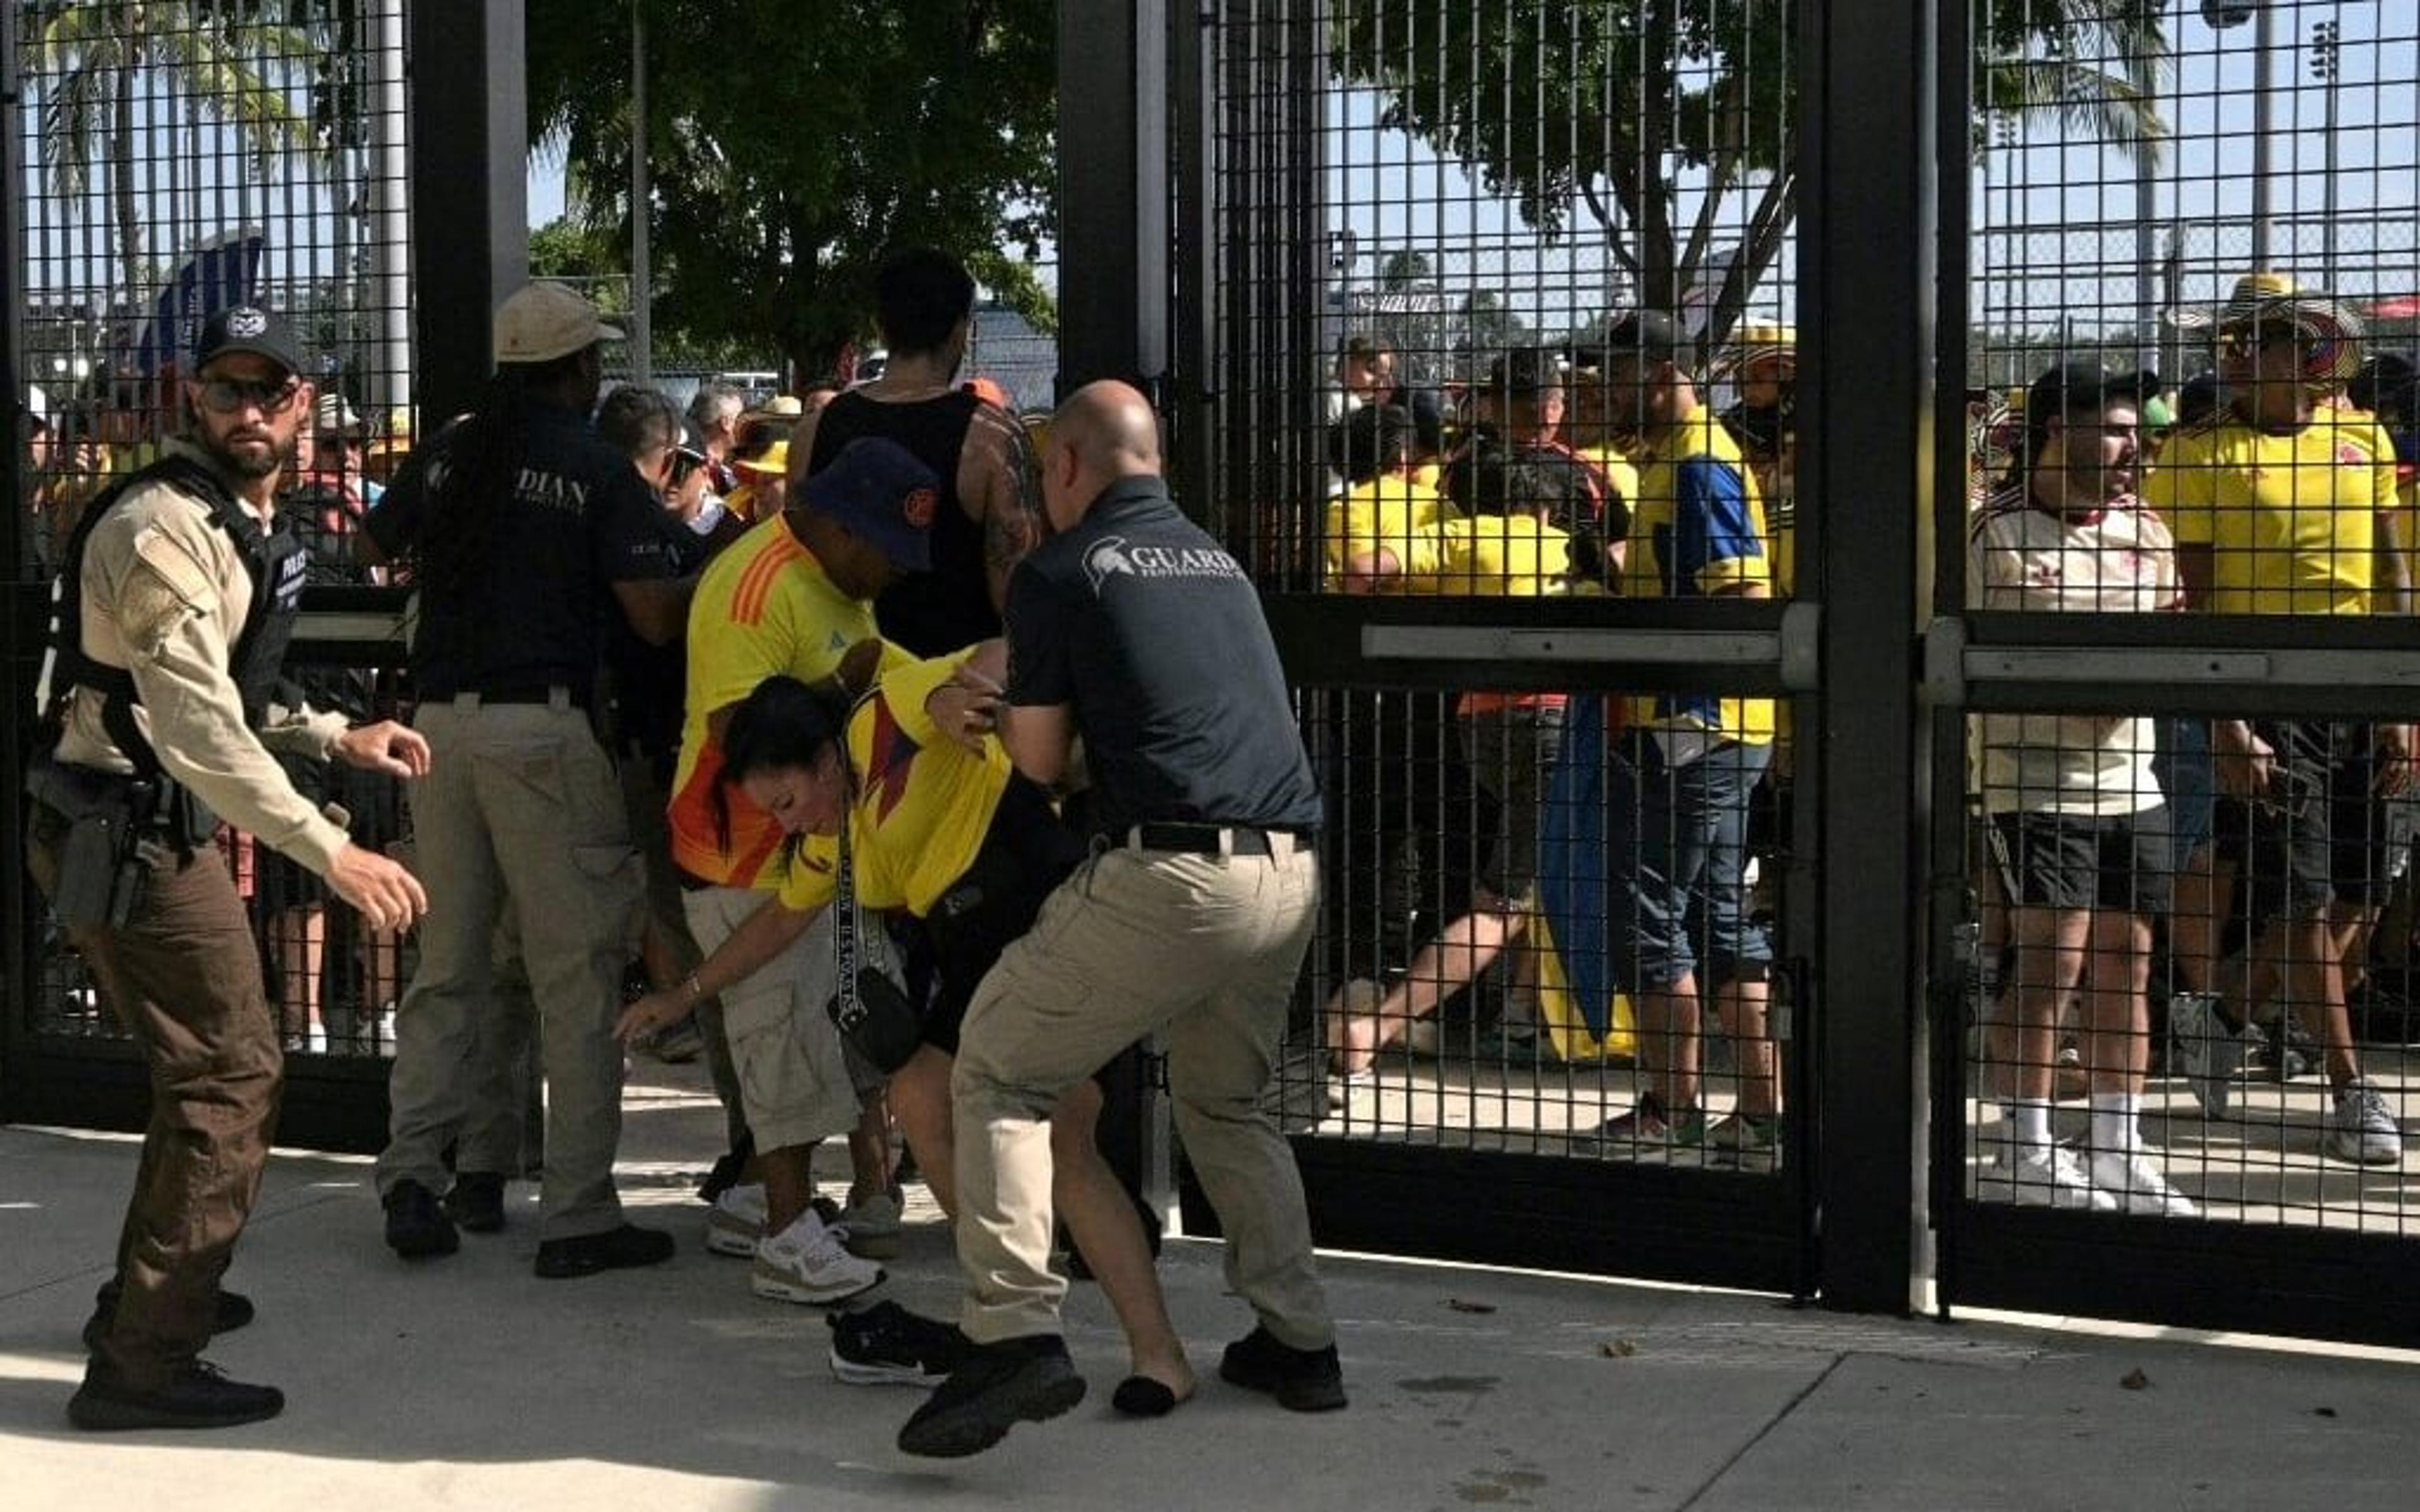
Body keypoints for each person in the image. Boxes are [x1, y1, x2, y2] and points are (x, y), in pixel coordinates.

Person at [895, 381, 1340, 1460]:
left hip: (1172, 878)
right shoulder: (1219, 564)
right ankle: (1302, 1344)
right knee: (1227, 1107)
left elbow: (1043, 764)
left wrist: (981, 716)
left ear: (1065, 468)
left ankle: (1012, 1333)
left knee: (998, 1067)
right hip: (1290, 872)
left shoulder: (1060, 571)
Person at [27, 303, 428, 1429]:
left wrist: (332, 736)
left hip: (146, 820)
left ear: (308, 405)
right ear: (191, 402)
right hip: (130, 830)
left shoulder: (236, 518)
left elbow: (232, 697)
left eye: (272, 390)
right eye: (227, 390)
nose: (249, 410)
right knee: (231, 1076)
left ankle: (147, 1302)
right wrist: (332, 846)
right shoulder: (160, 527)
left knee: (199, 1075)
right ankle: (145, 1362)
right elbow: (197, 730)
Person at [616, 658, 1191, 1409]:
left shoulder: (877, 719)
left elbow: (980, 661)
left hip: (1040, 921)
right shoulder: (830, 837)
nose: (787, 825)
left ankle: (1153, 1356)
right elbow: (782, 919)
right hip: (974, 959)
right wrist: (683, 995)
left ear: (826, 760)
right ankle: (1012, 1317)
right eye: (773, 814)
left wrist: (961, 699)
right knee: (922, 1096)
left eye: (789, 801)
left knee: (1063, 1142)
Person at [363, 280, 692, 1270]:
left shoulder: (459, 448)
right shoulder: (592, 466)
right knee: (575, 980)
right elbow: (652, 616)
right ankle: (580, 1215)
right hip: (543, 736)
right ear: (581, 369)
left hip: (436, 733)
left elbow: (377, 539)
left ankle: (420, 1175)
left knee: (453, 971)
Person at [659, 435, 945, 1303]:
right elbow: (734, 738)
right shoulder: (754, 587)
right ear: (839, 526)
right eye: (886, 557)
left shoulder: (834, 581)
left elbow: (871, 685)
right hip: (744, 858)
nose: (893, 576)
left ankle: (795, 1194)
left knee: (836, 1022)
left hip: (813, 855)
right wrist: (842, 703)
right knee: (779, 1039)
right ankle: (786, 1233)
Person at [2143, 275, 2410, 1165]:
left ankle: (2222, 1015)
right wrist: (2225, 722)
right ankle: (2350, 1089)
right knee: (2304, 899)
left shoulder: (2360, 433)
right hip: (2262, 692)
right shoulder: (2197, 454)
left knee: (2363, 895)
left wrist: (2404, 701)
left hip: (2361, 688)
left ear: (2315, 353)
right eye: (2239, 341)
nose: (2244, 356)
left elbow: (2391, 572)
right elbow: (2195, 603)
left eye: (2268, 340)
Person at [1969, 364, 2193, 1215]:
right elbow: (1966, 652)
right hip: (2029, 781)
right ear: (2057, 430)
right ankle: (2023, 1145)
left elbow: (2175, 637)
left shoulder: (2147, 528)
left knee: (2126, 964)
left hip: (2131, 780)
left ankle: (2116, 1145)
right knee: (2049, 963)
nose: (2134, 446)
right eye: (2116, 429)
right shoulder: (1994, 531)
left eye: (2138, 431)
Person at [1578, 310, 1781, 1158]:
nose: (1602, 390)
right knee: (1717, 920)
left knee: (1651, 915)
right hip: (1706, 724)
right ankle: (1763, 1112)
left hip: (1692, 725)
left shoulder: (1699, 462)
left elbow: (1732, 599)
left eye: (1615, 374)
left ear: (1661, 371)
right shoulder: (1670, 458)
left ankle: (1673, 1104)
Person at [1325, 447, 1599, 1078]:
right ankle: (1382, 1024)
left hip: (1480, 722)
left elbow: (1362, 572)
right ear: (1546, 504)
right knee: (1502, 900)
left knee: (1537, 877)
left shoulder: (1452, 537)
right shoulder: (1565, 547)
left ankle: (1528, 1018)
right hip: (1559, 724)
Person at [793, 246, 1043, 657]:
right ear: (962, 330)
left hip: (842, 688)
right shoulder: (994, 439)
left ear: (882, 328)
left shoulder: (814, 429)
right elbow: (1019, 600)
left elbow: (796, 566)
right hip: (955, 694)